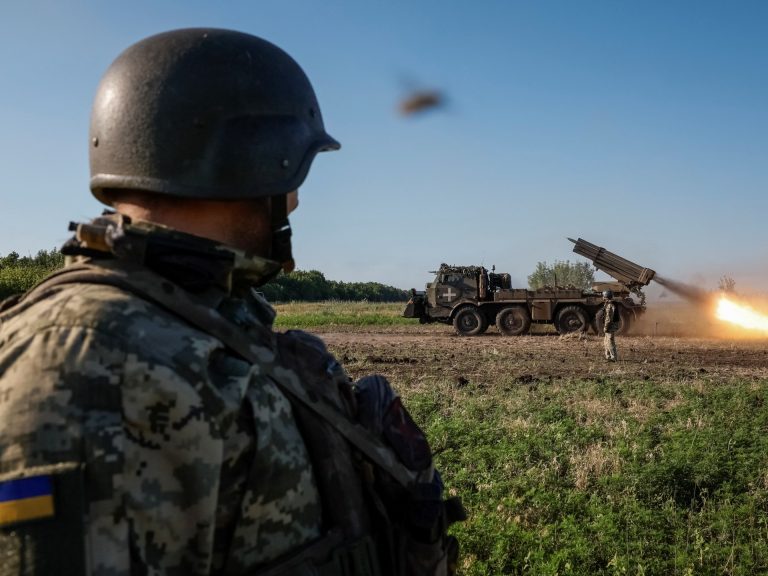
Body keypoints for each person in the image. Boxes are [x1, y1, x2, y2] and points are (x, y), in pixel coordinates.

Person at [0, 28, 460, 575]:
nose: (295, 200)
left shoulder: (202, 321)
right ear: (252, 162)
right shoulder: (77, 366)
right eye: (294, 174)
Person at [602, 290, 619, 361]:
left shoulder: (610, 305)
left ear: (606, 296)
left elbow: (608, 318)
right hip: (610, 325)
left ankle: (614, 357)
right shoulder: (609, 303)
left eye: (603, 296)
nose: (602, 297)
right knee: (606, 341)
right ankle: (608, 356)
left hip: (610, 326)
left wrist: (606, 327)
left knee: (610, 341)